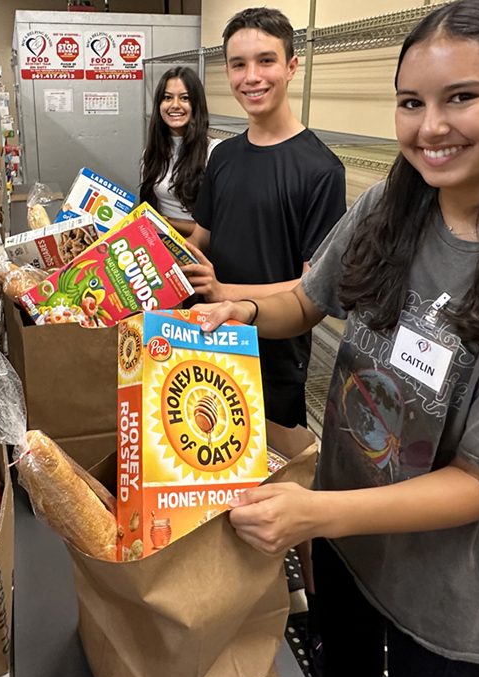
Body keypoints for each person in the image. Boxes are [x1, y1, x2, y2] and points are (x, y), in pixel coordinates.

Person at [199, 1, 479, 677]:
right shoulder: (390, 208)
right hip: (341, 547)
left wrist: (313, 512)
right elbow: (306, 300)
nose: (429, 127)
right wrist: (242, 311)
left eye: (462, 97)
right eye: (411, 102)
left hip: (439, 595)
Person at [182, 7, 346, 429]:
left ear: (291, 66)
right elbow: (201, 239)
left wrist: (226, 293)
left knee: (264, 477)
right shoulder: (224, 156)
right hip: (203, 338)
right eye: (239, 64)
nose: (251, 77)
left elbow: (314, 291)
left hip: (272, 356)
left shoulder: (321, 170)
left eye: (266, 61)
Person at [139, 66, 220, 238]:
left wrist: (166, 223)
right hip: (160, 245)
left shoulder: (214, 153)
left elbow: (220, 224)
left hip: (201, 251)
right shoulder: (150, 154)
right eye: (167, 97)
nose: (175, 105)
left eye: (184, 98)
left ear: (196, 105)